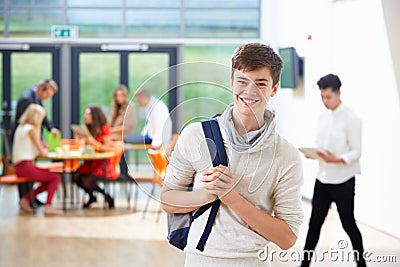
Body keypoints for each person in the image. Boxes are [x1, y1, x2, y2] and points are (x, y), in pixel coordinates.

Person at [160, 43, 304, 266]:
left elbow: (287, 238)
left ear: (274, 89)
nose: (249, 91)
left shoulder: (286, 156)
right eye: (242, 82)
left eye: (261, 83)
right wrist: (209, 194)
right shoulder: (196, 135)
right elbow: (168, 200)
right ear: (232, 83)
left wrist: (233, 198)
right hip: (200, 260)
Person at [300, 74, 366, 267]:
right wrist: (313, 153)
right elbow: (319, 143)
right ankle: (304, 264)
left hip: (343, 181)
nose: (325, 101)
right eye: (322, 97)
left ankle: (362, 264)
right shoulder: (322, 116)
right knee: (314, 224)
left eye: (328, 97)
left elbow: (356, 152)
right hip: (323, 178)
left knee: (348, 224)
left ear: (338, 93)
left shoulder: (352, 119)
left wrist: (336, 159)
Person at [11, 79, 59, 207]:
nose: (47, 98)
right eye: (47, 95)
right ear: (41, 89)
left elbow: (42, 117)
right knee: (50, 177)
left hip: (25, 150)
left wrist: (49, 129)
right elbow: (33, 117)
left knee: (32, 171)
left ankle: (30, 198)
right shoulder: (27, 99)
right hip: (24, 150)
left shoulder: (36, 100)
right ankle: (26, 199)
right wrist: (40, 144)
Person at [72, 106, 115, 209]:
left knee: (87, 181)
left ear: (95, 116)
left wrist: (93, 142)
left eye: (88, 114)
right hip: (90, 162)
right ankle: (92, 197)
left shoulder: (104, 128)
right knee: (75, 176)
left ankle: (107, 197)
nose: (85, 116)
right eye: (85, 114)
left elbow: (107, 148)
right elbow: (81, 146)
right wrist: (78, 138)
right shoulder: (88, 129)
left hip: (103, 163)